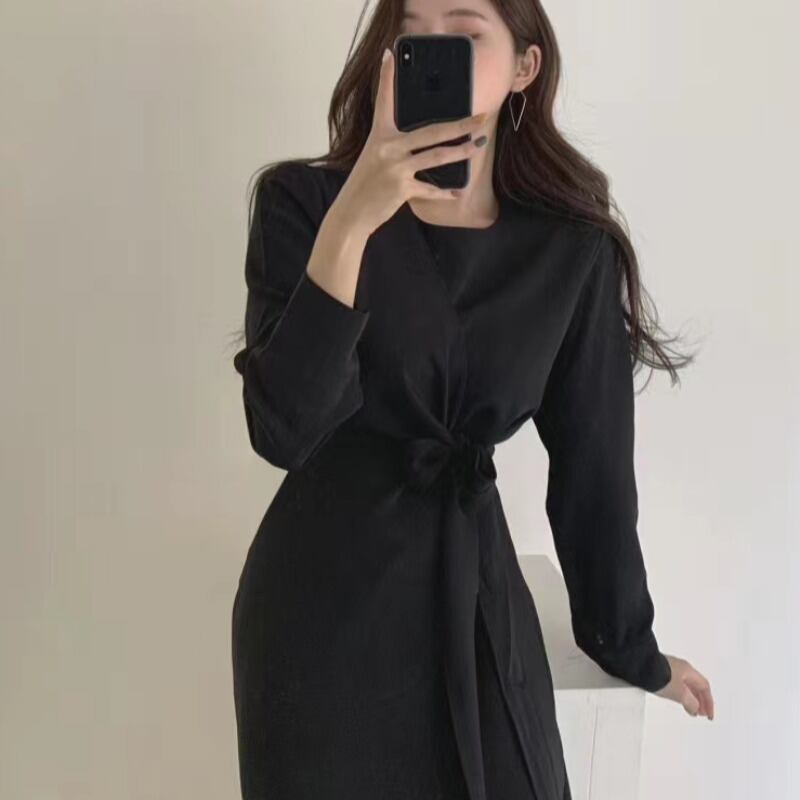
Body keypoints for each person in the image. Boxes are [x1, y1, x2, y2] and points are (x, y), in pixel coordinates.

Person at [230, 2, 715, 798]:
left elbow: (594, 471)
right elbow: (284, 429)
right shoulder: (305, 206)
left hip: (475, 596)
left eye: (463, 28)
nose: (431, 46)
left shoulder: (569, 249)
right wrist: (353, 218)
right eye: (412, 27)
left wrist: (632, 647)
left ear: (525, 65)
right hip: (320, 609)